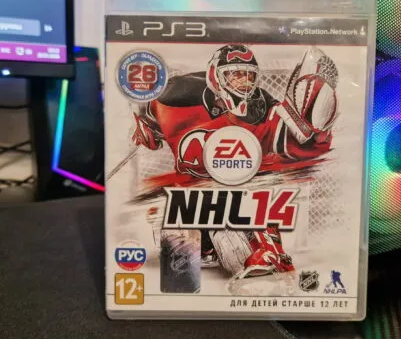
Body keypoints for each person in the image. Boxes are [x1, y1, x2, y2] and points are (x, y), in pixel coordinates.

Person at [132, 44, 338, 278]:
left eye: (249, 76)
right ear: (216, 76)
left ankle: (269, 252)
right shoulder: (177, 94)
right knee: (176, 255)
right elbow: (149, 107)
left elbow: (289, 140)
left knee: (245, 208)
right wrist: (145, 125)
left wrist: (314, 126)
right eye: (236, 74)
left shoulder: (260, 105)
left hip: (229, 195)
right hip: (186, 198)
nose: (244, 82)